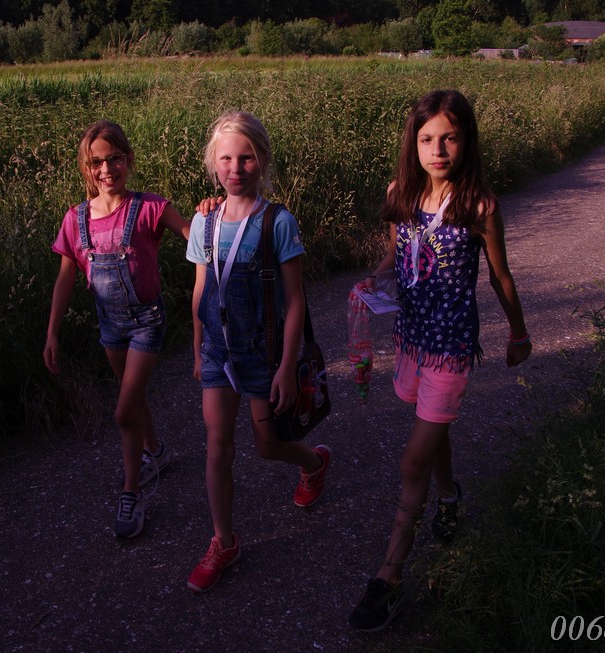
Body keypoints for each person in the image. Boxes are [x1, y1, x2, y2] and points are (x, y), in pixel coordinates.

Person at [348, 90, 532, 632]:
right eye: (427, 139)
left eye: (449, 138)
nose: (438, 150)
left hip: (451, 347)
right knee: (432, 428)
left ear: (467, 140)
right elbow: (397, 251)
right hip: (411, 340)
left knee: (412, 462)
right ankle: (449, 496)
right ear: (413, 143)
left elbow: (500, 276)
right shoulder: (401, 194)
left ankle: (389, 577)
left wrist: (519, 333)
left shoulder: (479, 206)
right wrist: (376, 277)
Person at [184, 110, 331, 594]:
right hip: (218, 354)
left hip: (263, 356)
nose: (235, 168)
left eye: (246, 158)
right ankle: (223, 541)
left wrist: (287, 367)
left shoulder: (278, 223)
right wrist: (197, 346)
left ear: (263, 161)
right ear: (213, 163)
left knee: (267, 445)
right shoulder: (203, 221)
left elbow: (295, 301)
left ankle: (313, 463)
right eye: (226, 158)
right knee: (217, 446)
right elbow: (201, 290)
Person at [44, 120, 189, 539]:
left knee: (123, 410)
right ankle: (155, 452)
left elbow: (194, 235)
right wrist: (52, 332)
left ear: (129, 160)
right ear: (85, 168)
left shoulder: (149, 208)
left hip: (147, 323)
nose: (106, 170)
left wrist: (210, 213)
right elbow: (66, 278)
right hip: (110, 326)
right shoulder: (76, 220)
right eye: (96, 163)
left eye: (114, 159)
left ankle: (131, 493)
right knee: (133, 395)